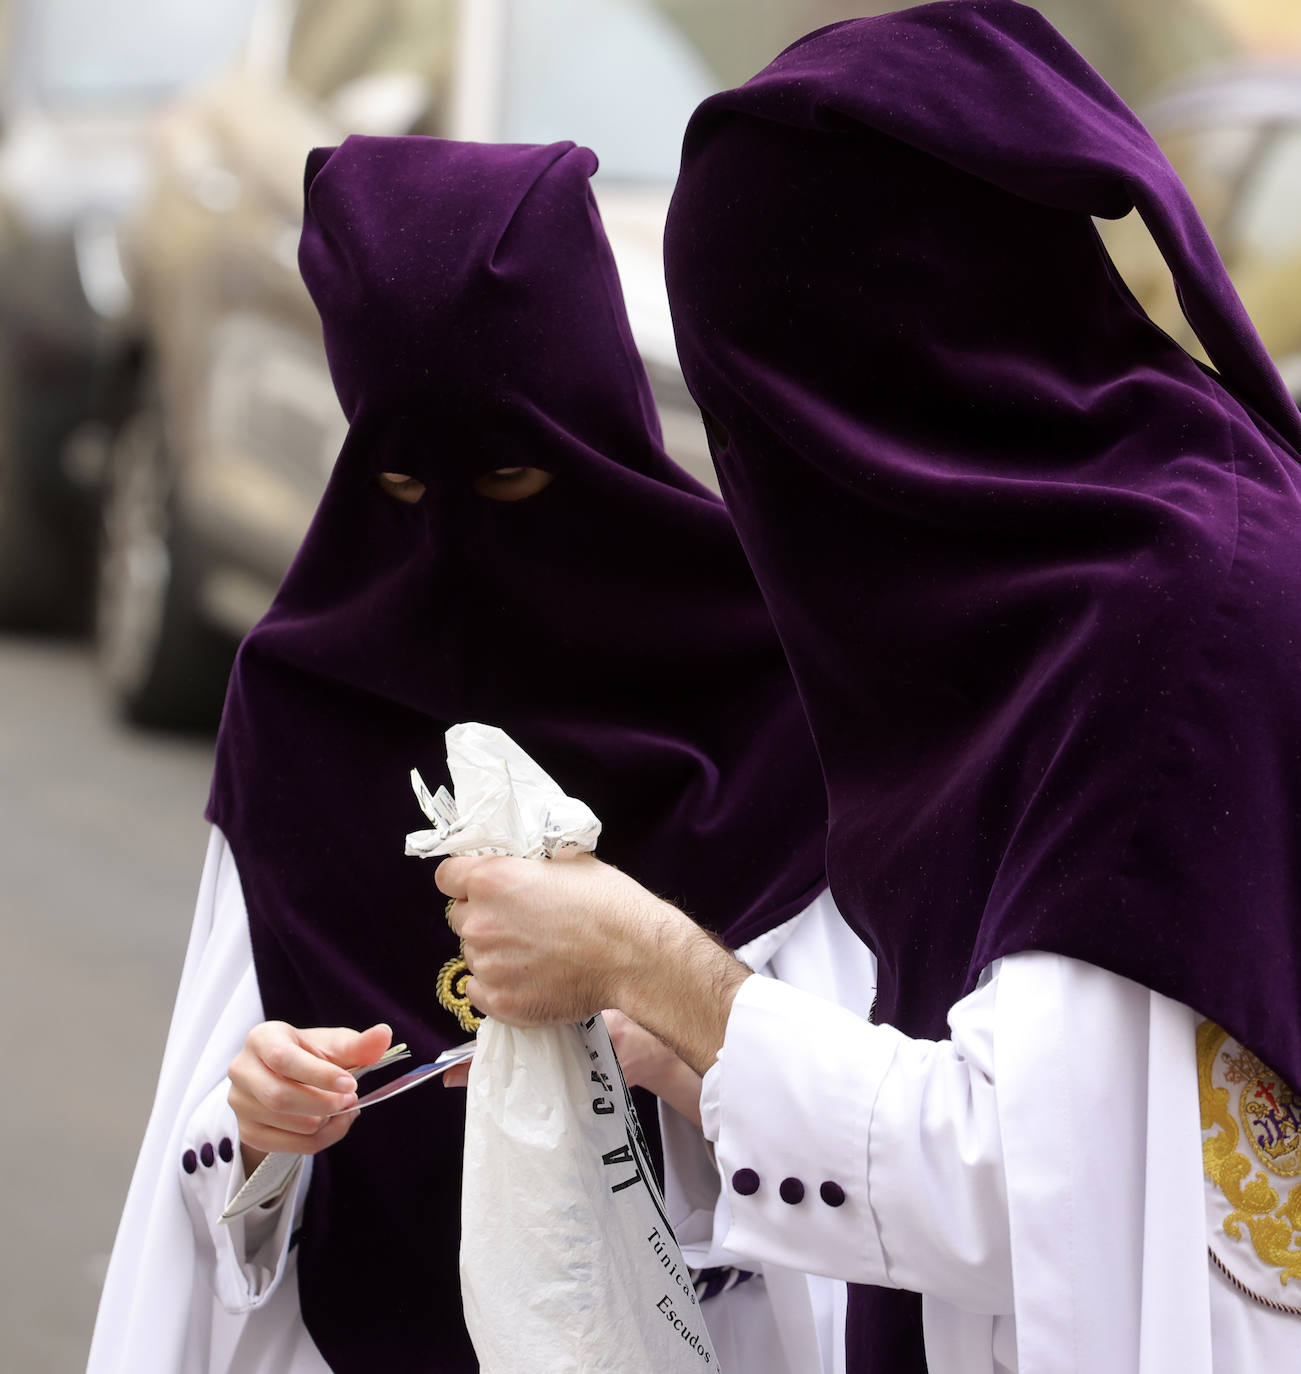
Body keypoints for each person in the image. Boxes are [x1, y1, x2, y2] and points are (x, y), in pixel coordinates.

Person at [434, 3, 1301, 1371]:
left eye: (763, 423)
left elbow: (1027, 1183)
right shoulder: (1100, 555)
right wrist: (688, 1054)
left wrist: (652, 962)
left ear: (864, 379)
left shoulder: (1158, 632)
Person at [86, 134, 872, 1374]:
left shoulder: (765, 690)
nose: (452, 542)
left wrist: (661, 1025)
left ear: (593, 430)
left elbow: (879, 1157)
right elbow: (218, 1165)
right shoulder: (308, 691)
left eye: (508, 478)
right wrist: (258, 1119)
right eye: (400, 482)